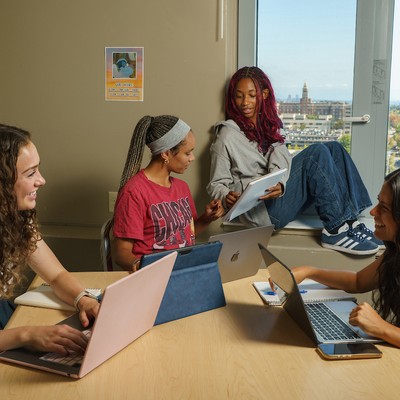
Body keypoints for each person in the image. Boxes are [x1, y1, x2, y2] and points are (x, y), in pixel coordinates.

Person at [207, 66, 382, 256]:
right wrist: (225, 195)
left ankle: (351, 223)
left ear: (263, 94)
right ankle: (335, 229)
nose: (245, 102)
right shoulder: (226, 136)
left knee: (334, 147)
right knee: (316, 153)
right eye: (239, 96)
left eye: (251, 95)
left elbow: (280, 158)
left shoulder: (270, 124)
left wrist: (280, 183)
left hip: (278, 196)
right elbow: (216, 184)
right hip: (262, 211)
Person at [0, 124, 100, 353]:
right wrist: (27, 334)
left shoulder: (17, 219)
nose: (42, 180)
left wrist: (84, 300)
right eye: (30, 173)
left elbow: (55, 274)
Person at [292, 169, 400, 347]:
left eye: (385, 207)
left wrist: (381, 328)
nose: (373, 212)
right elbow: (357, 281)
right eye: (378, 202)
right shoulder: (395, 252)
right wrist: (310, 271)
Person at [113, 115, 224, 271]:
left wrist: (207, 218)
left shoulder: (182, 187)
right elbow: (122, 254)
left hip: (181, 271)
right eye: (187, 153)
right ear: (165, 153)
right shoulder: (134, 192)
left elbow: (184, 238)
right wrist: (154, 270)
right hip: (151, 277)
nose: (192, 158)